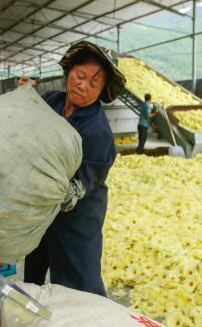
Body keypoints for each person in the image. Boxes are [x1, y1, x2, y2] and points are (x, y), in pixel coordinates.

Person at [18, 41, 126, 297]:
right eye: (80, 76)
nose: (83, 85)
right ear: (69, 71)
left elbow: (75, 191)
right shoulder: (52, 101)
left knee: (79, 283)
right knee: (34, 272)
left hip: (77, 214)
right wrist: (23, 96)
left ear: (101, 91)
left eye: (93, 83)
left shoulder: (97, 132)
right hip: (44, 211)